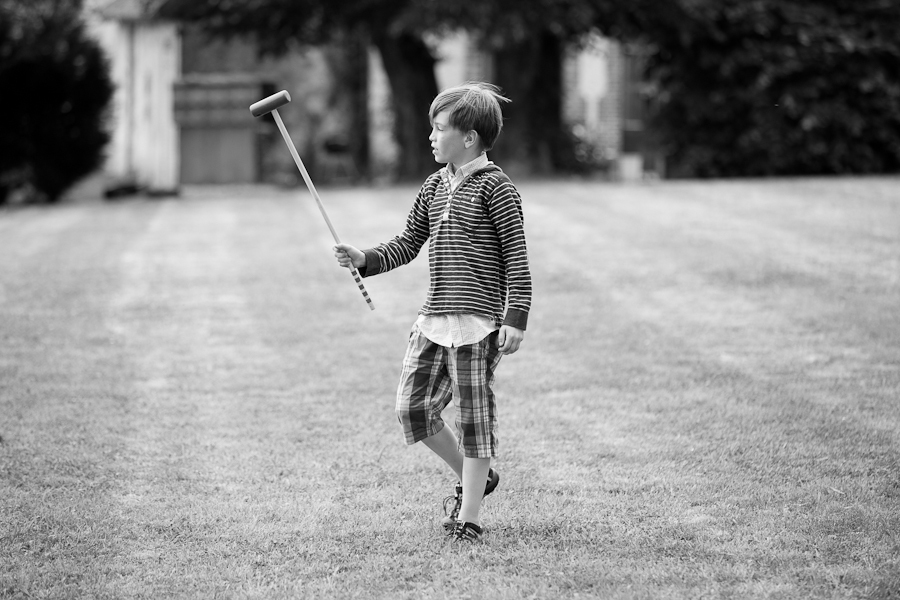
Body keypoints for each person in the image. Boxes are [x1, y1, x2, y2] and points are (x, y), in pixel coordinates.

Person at [333, 82, 532, 543]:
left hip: (478, 325)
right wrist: (365, 258)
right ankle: (477, 476)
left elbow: (517, 260)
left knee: (475, 421)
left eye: (438, 129)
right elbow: (407, 243)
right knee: (412, 409)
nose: (430, 136)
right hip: (433, 319)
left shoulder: (497, 189)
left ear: (468, 138)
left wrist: (515, 319)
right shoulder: (433, 186)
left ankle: (470, 518)